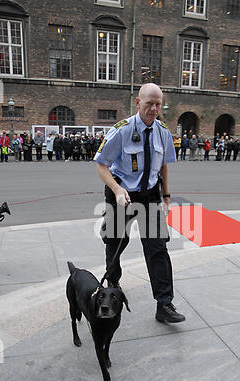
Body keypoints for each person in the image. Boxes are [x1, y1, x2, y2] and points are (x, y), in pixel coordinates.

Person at [94, 82, 185, 324]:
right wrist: (116, 189)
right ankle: (112, 284)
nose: (154, 109)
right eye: (149, 104)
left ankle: (164, 304)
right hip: (121, 194)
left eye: (158, 104)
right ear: (138, 102)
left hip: (150, 196)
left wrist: (165, 195)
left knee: (157, 249)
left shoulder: (163, 131)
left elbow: (163, 164)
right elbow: (101, 165)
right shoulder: (120, 130)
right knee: (114, 243)